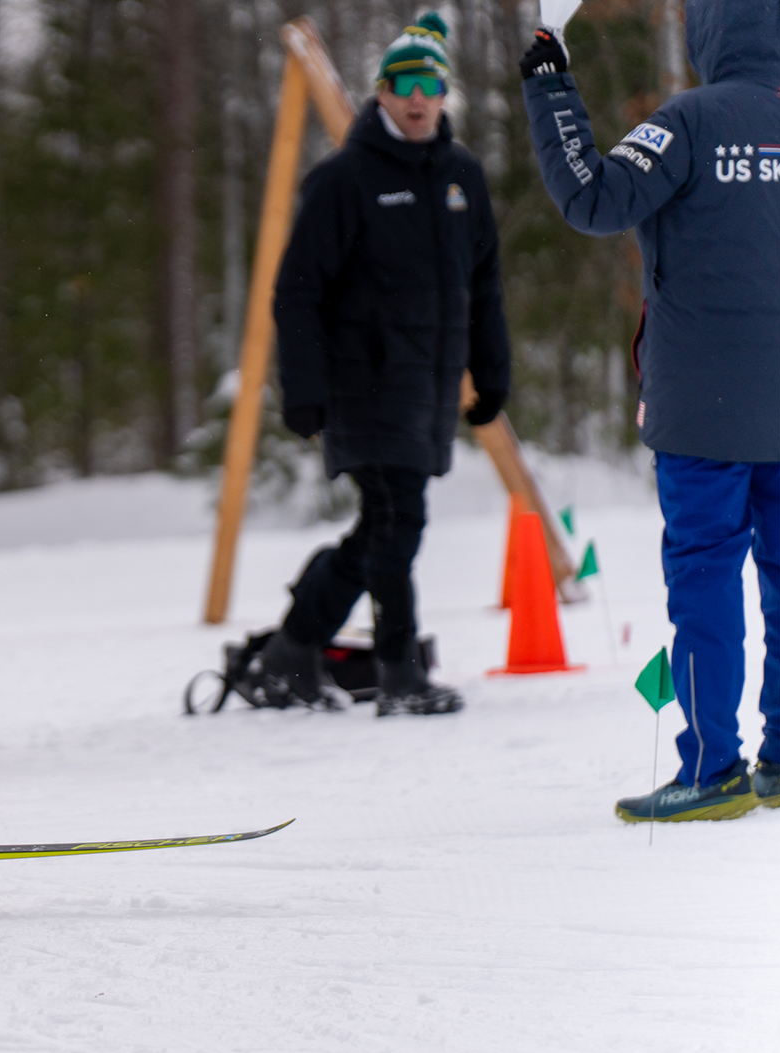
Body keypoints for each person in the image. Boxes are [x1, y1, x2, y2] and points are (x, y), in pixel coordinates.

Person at [519, 1, 780, 822]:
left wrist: (548, 75)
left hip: (702, 406)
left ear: (710, 32)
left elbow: (592, 198)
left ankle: (712, 768)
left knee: (704, 573)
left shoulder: (690, 121)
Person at [253, 11, 510, 717]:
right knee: (397, 521)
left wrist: (493, 373)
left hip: (426, 387)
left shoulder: (462, 178)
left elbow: (482, 285)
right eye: (404, 87)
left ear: (443, 93)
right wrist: (302, 390)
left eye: (430, 86)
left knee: (383, 529)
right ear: (381, 94)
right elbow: (297, 290)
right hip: (361, 382)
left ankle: (290, 653)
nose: (418, 100)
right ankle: (399, 674)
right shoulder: (345, 179)